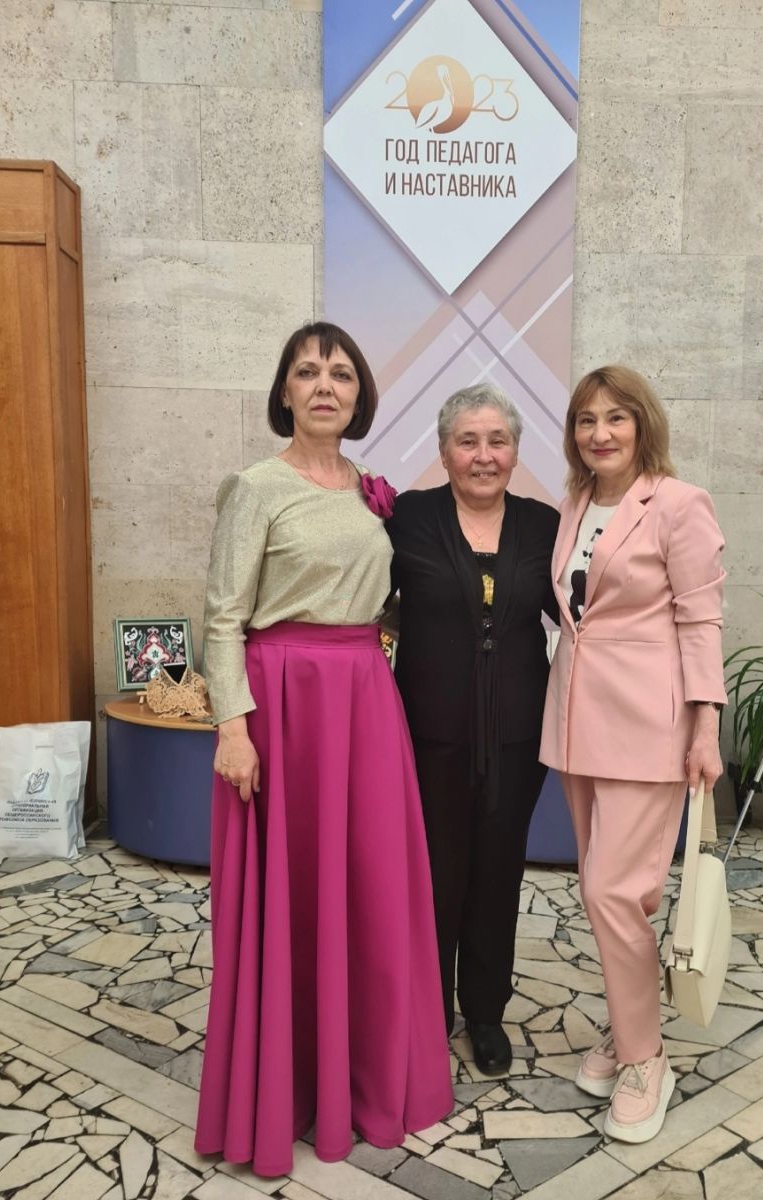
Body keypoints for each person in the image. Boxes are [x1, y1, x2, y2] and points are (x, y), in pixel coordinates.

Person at [194, 322, 452, 1176]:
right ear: (285, 393)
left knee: (369, 888)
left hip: (364, 702)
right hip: (283, 706)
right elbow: (223, 618)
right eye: (307, 373)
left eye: (340, 374)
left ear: (359, 394)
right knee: (289, 895)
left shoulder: (374, 494)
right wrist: (233, 726)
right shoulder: (255, 488)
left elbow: (389, 601)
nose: (324, 386)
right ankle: (285, 1090)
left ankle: (365, 1075)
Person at [540, 365, 726, 1144]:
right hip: (578, 726)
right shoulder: (575, 503)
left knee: (614, 891)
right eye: (586, 420)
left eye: (616, 417)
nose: (600, 433)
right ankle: (627, 1026)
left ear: (643, 424)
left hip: (651, 727)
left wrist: (706, 726)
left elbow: (701, 620)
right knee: (604, 895)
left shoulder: (678, 504)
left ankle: (647, 1060)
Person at [387, 384, 559, 1075]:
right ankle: (427, 1012)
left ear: (515, 451)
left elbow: (587, 617)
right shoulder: (408, 517)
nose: (483, 455)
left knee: (497, 873)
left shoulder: (545, 526)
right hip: (428, 733)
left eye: (498, 441)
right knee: (433, 876)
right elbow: (360, 598)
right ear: (443, 450)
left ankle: (485, 1013)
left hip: (519, 736)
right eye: (467, 441)